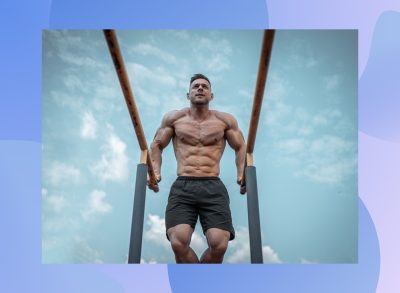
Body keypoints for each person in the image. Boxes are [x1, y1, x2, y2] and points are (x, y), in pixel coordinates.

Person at [148, 73, 246, 264]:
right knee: (178, 242)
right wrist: (155, 172)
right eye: (196, 86)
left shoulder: (225, 121)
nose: (200, 88)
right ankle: (194, 282)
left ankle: (202, 281)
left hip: (213, 185)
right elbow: (156, 145)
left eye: (204, 86)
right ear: (188, 94)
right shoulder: (174, 118)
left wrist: (242, 173)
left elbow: (241, 146)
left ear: (211, 95)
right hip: (184, 185)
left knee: (220, 244)